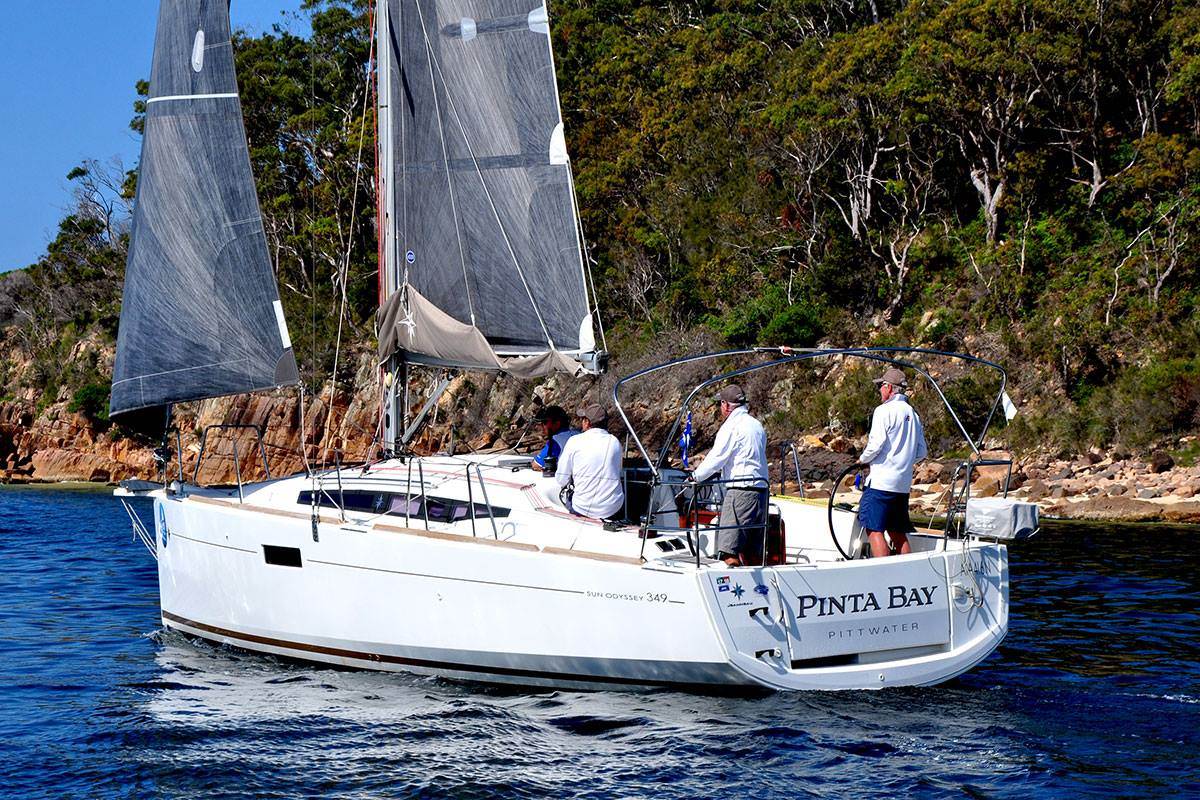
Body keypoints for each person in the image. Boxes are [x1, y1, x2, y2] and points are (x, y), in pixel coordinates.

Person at [691, 384, 769, 567]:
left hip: (740, 492)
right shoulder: (756, 425)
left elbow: (716, 458)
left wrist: (695, 477)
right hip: (762, 492)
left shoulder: (731, 427)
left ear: (726, 405)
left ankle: (729, 581)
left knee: (729, 551)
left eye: (720, 403)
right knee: (752, 552)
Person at [857, 367, 928, 558]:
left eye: (881, 386)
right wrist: (903, 461)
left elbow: (875, 445)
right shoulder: (913, 415)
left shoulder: (883, 411)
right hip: (902, 486)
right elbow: (922, 452)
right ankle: (907, 569)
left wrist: (862, 460)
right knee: (897, 532)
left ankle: (883, 570)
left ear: (889, 387)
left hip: (881, 484)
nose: (879, 390)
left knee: (873, 529)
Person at [555, 403, 624, 520]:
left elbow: (561, 479)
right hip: (613, 508)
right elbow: (618, 471)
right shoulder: (615, 442)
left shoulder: (574, 441)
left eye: (582, 419)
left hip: (582, 508)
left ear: (587, 422)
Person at [530, 405, 579, 472]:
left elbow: (536, 465)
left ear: (557, 424)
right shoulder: (579, 433)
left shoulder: (555, 441)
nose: (541, 426)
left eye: (545, 422)